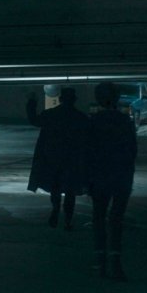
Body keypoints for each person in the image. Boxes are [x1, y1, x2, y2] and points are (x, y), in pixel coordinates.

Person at [88, 82, 137, 281]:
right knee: (116, 220)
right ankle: (116, 262)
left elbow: (87, 152)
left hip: (99, 176)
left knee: (99, 218)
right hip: (120, 176)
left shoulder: (93, 122)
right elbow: (131, 151)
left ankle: (101, 262)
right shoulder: (125, 121)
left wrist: (86, 178)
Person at [26, 87, 89, 231]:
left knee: (55, 188)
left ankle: (55, 210)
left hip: (53, 158)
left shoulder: (51, 115)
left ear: (60, 99)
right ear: (74, 100)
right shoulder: (80, 118)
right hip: (72, 160)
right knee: (70, 191)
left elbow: (34, 120)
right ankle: (68, 220)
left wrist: (31, 101)